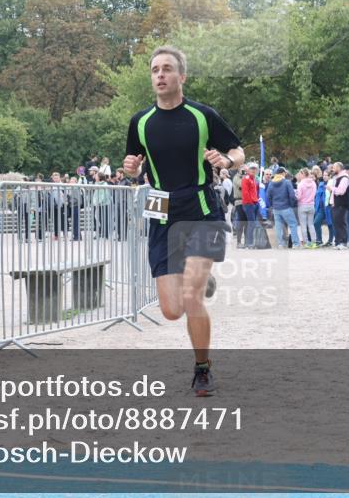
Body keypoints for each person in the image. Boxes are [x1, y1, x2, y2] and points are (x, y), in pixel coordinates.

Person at [122, 45, 244, 397]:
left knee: (190, 296)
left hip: (202, 208)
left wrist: (225, 160)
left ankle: (202, 368)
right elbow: (135, 163)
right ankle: (202, 283)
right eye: (155, 70)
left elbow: (238, 151)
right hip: (161, 211)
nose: (159, 75)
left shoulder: (202, 116)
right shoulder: (141, 122)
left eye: (166, 69)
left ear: (181, 76)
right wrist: (132, 169)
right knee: (172, 310)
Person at [266, 167, 300, 249]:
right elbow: (292, 195)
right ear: (283, 173)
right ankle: (295, 244)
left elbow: (268, 196)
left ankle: (280, 244)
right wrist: (292, 204)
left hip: (276, 208)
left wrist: (273, 204)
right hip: (286, 207)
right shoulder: (287, 182)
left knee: (278, 226)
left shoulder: (271, 183)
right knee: (293, 224)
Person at [328, 162, 349, 250]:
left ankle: (343, 242)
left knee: (341, 223)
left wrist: (331, 188)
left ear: (339, 168)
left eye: (334, 168)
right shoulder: (336, 178)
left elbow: (341, 191)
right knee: (336, 223)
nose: (332, 169)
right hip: (335, 204)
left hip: (341, 204)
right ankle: (338, 242)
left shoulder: (344, 178)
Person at [295, 168, 318, 248]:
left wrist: (295, 194)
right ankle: (314, 242)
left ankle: (306, 243)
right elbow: (315, 193)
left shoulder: (301, 184)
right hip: (311, 205)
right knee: (311, 224)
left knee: (303, 225)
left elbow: (299, 197)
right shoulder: (314, 183)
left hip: (302, 206)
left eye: (300, 174)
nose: (299, 175)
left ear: (303, 174)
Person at [241, 163, 260, 249]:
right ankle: (249, 243)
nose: (253, 170)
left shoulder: (254, 179)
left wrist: (256, 201)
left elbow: (254, 191)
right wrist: (251, 202)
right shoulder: (246, 179)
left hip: (254, 203)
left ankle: (251, 242)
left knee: (252, 223)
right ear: (248, 170)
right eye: (251, 168)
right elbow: (245, 193)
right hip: (249, 204)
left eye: (254, 169)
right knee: (251, 223)